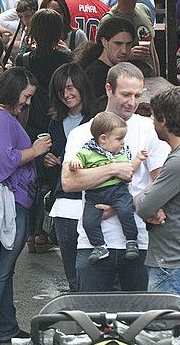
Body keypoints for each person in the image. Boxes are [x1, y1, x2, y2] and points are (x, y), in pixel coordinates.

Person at [60, 63, 168, 293]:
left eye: (138, 95)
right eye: (126, 94)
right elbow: (69, 182)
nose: (132, 102)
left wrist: (122, 206)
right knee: (92, 320)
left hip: (138, 242)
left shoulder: (149, 129)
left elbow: (161, 184)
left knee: (137, 322)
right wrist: (114, 170)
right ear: (109, 89)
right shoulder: (82, 132)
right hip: (93, 244)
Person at [0, 68, 49, 345]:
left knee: (2, 265)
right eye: (27, 96)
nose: (28, 102)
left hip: (4, 199)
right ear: (14, 90)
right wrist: (37, 150)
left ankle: (5, 326)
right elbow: (5, 163)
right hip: (4, 201)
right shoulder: (1, 119)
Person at [133, 86, 180, 296]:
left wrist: (139, 197)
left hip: (172, 265)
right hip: (176, 261)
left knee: (167, 327)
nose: (152, 123)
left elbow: (144, 207)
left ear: (163, 119)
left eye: (154, 117)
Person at [67, 110, 142, 270]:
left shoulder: (122, 152)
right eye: (119, 139)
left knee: (126, 211)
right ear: (103, 139)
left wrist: (137, 159)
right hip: (95, 195)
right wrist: (74, 162)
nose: (122, 142)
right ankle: (99, 246)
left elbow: (129, 171)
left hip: (118, 190)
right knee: (89, 221)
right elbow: (76, 161)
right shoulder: (87, 151)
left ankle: (131, 241)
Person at [46, 63, 98, 292]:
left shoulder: (97, 119)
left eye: (70, 88)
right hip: (65, 202)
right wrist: (49, 162)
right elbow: (52, 168)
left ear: (81, 87)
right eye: (61, 91)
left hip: (92, 200)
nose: (67, 95)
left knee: (93, 268)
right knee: (72, 271)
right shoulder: (56, 121)